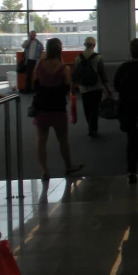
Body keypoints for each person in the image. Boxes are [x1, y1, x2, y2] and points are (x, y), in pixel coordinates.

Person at [33, 38, 83, 181]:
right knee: (62, 140)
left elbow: (35, 84)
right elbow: (67, 88)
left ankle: (44, 171)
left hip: (41, 108)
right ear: (59, 49)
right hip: (58, 109)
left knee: (41, 141)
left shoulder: (39, 64)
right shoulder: (63, 68)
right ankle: (68, 165)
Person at [114, 38, 138, 184]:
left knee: (132, 141)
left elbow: (117, 86)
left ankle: (131, 171)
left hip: (127, 109)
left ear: (130, 51)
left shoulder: (124, 68)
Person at [73, 36, 112, 137]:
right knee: (95, 109)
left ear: (85, 45)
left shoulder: (78, 58)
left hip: (83, 88)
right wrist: (108, 89)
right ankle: (93, 128)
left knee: (86, 108)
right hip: (96, 87)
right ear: (94, 45)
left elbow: (75, 75)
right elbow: (103, 75)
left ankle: (89, 126)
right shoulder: (98, 58)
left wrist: (72, 88)